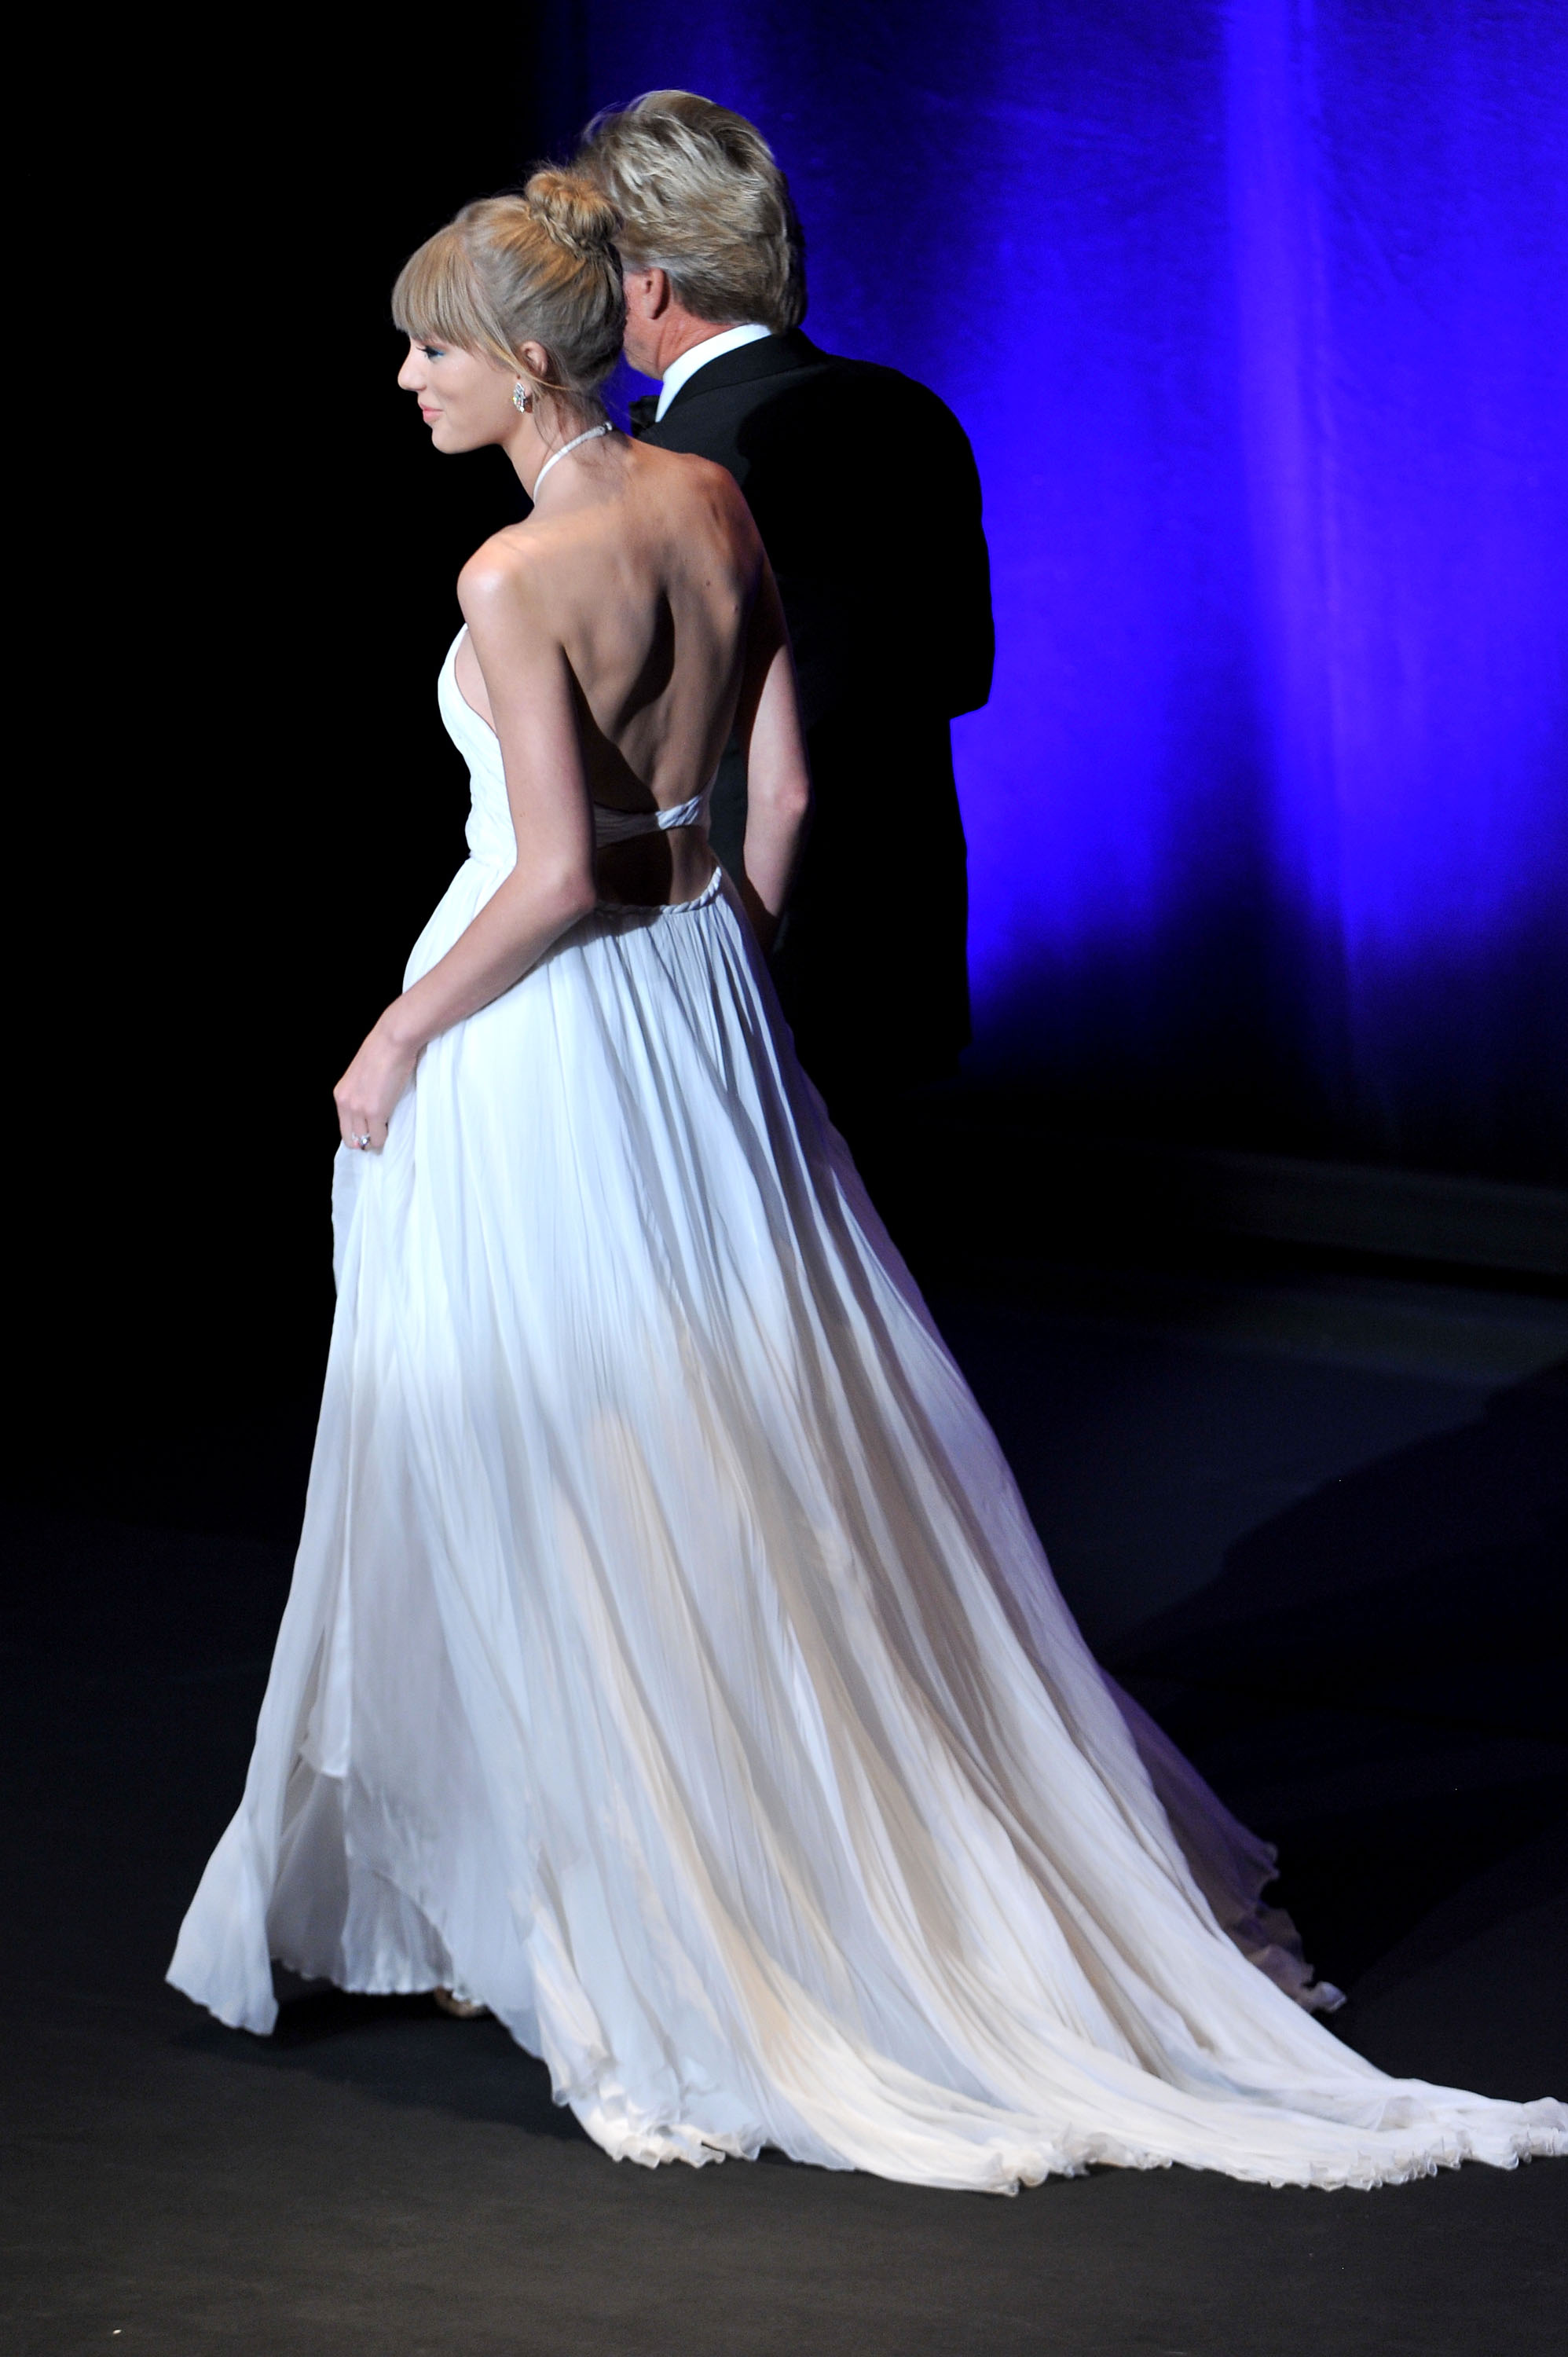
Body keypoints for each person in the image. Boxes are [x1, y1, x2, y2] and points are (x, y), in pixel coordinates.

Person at [168, 175, 1566, 2194]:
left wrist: (395, 1034)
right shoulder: (713, 503)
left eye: (430, 348)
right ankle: (705, 1860)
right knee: (746, 1439)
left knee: (552, 1454)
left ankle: (623, 1908)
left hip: (538, 1033)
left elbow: (554, 874)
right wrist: (724, 978)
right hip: (697, 1000)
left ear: (528, 359)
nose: (405, 379)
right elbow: (783, 793)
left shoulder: (510, 574)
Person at [575, 92, 992, 1155]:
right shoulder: (914, 413)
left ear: (649, 284)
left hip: (723, 936)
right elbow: (959, 670)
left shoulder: (675, 469)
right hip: (894, 933)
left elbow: (637, 731)